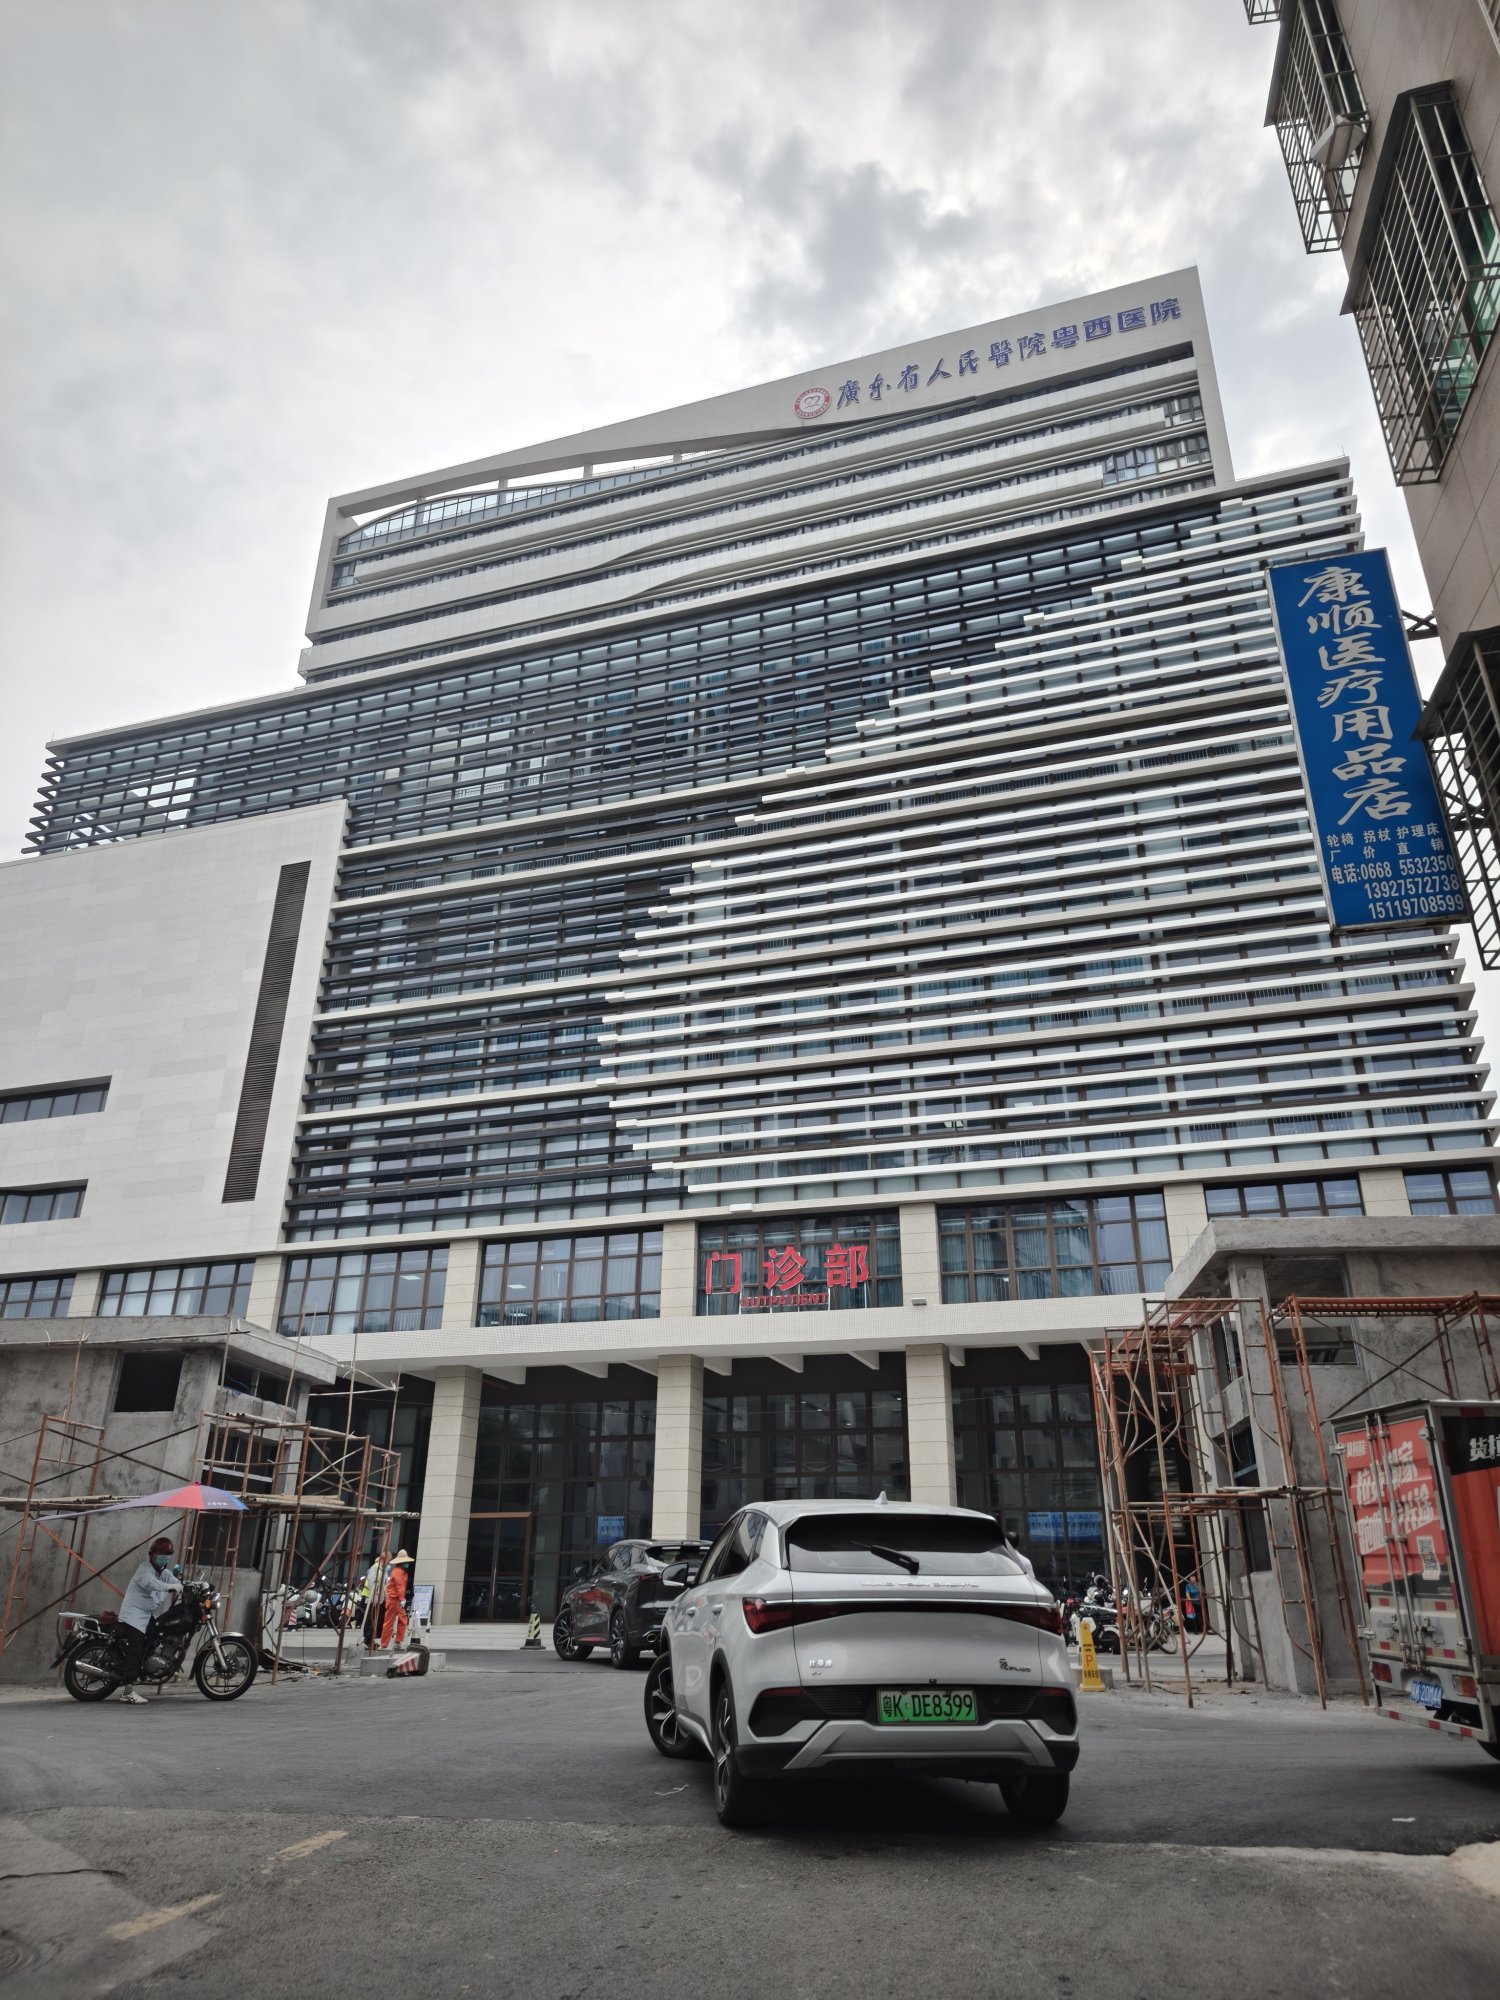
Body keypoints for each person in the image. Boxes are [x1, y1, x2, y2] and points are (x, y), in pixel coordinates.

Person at [115, 1537, 180, 1704]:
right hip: (133, 1615)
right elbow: (152, 1584)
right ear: (152, 1555)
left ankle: (149, 1667)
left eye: (166, 1556)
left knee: (154, 1640)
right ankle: (127, 1691)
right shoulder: (144, 1569)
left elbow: (178, 1583)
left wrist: (195, 1585)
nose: (163, 1559)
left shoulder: (165, 1574)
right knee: (137, 1648)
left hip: (147, 1615)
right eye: (160, 1555)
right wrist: (170, 1587)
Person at [379, 1548, 413, 1651]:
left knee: (397, 1620)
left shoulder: (398, 1571)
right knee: (392, 1621)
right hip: (395, 1599)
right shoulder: (399, 1572)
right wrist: (402, 1598)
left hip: (395, 1599)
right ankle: (386, 1643)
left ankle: (390, 1643)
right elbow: (400, 1586)